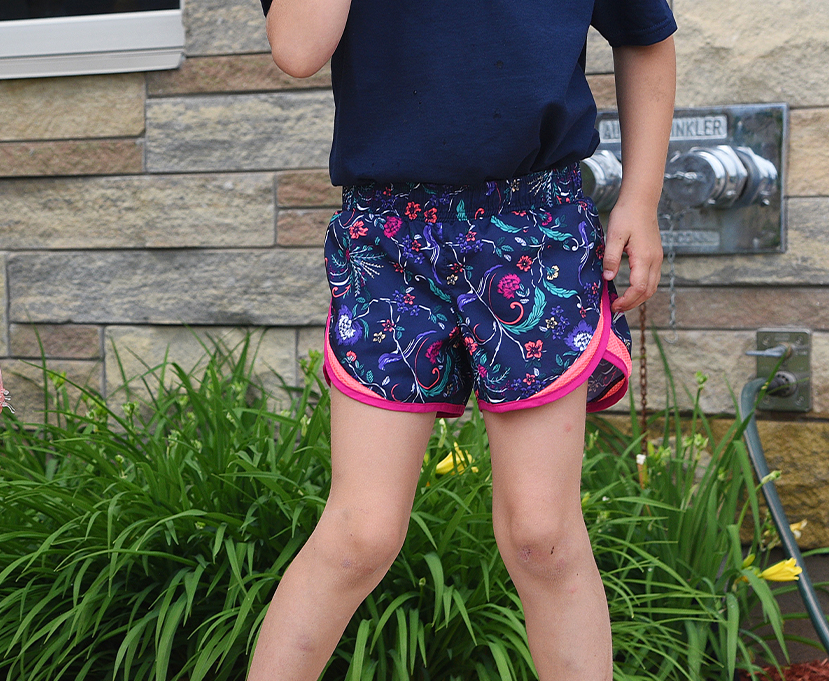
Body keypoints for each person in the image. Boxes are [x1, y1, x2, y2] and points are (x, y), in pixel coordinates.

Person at [246, 0, 676, 679]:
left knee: (543, 535)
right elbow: (298, 48)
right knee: (360, 534)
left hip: (534, 228)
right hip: (387, 240)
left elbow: (646, 35)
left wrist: (642, 198)